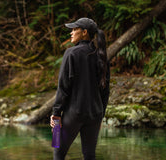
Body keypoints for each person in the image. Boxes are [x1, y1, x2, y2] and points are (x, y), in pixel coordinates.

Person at [50, 17, 110, 160]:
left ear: (84, 32)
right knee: (89, 155)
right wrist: (101, 116)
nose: (71, 32)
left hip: (73, 114)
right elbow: (105, 91)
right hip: (95, 115)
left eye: (74, 29)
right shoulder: (102, 56)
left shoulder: (71, 53)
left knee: (57, 151)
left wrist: (56, 113)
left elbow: (63, 87)